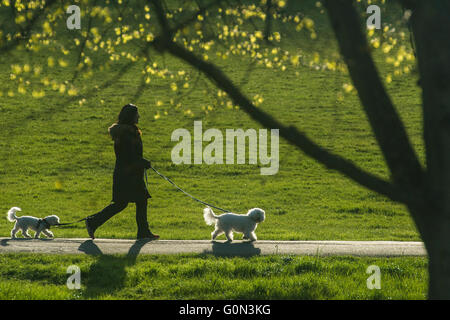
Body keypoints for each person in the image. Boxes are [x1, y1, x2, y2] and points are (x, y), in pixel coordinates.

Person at [85, 104, 159, 240]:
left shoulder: (128, 131)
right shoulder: (126, 134)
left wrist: (141, 163)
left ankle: (94, 222)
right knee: (127, 202)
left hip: (129, 174)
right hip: (128, 175)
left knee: (133, 201)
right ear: (131, 116)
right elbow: (128, 156)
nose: (139, 116)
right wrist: (143, 162)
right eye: (137, 114)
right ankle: (93, 222)